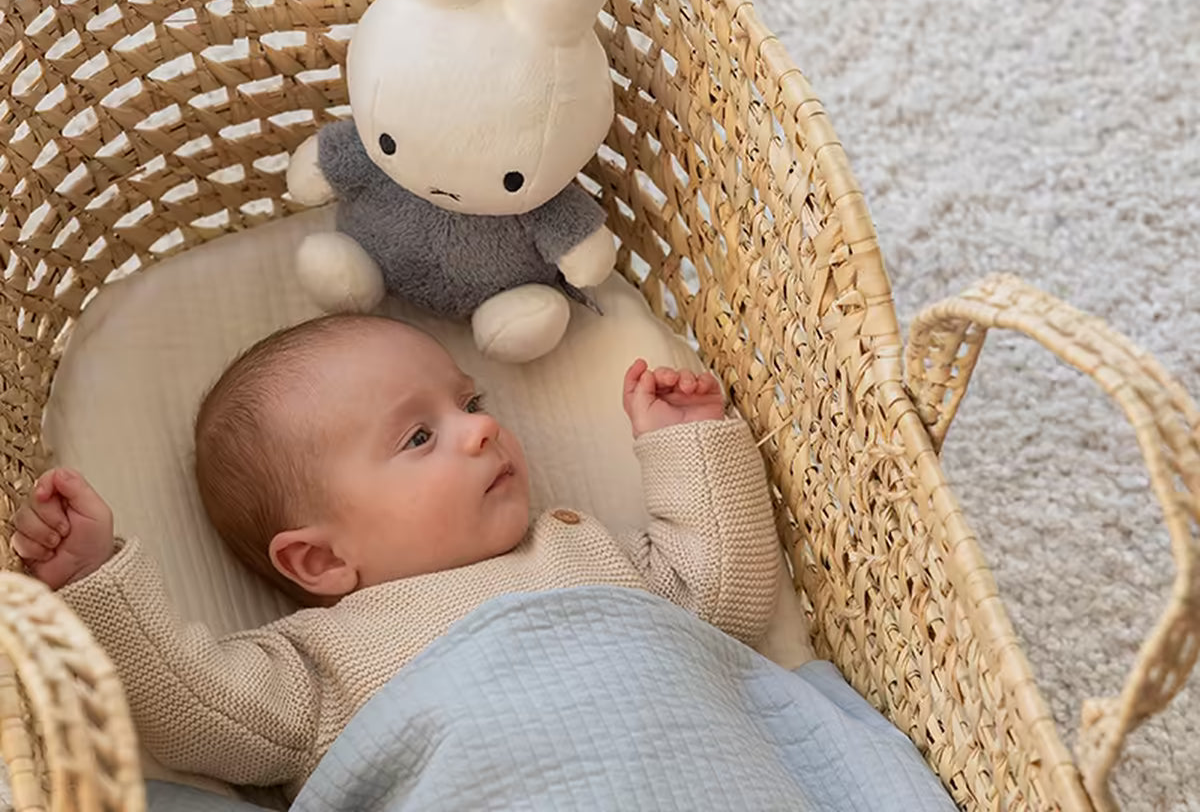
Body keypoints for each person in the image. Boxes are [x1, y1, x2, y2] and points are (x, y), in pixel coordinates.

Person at [10, 313, 780, 798]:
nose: (480, 430)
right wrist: (93, 577)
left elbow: (726, 600)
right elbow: (192, 710)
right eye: (419, 436)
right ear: (318, 562)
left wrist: (686, 440)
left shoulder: (584, 547)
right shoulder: (323, 664)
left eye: (470, 404)